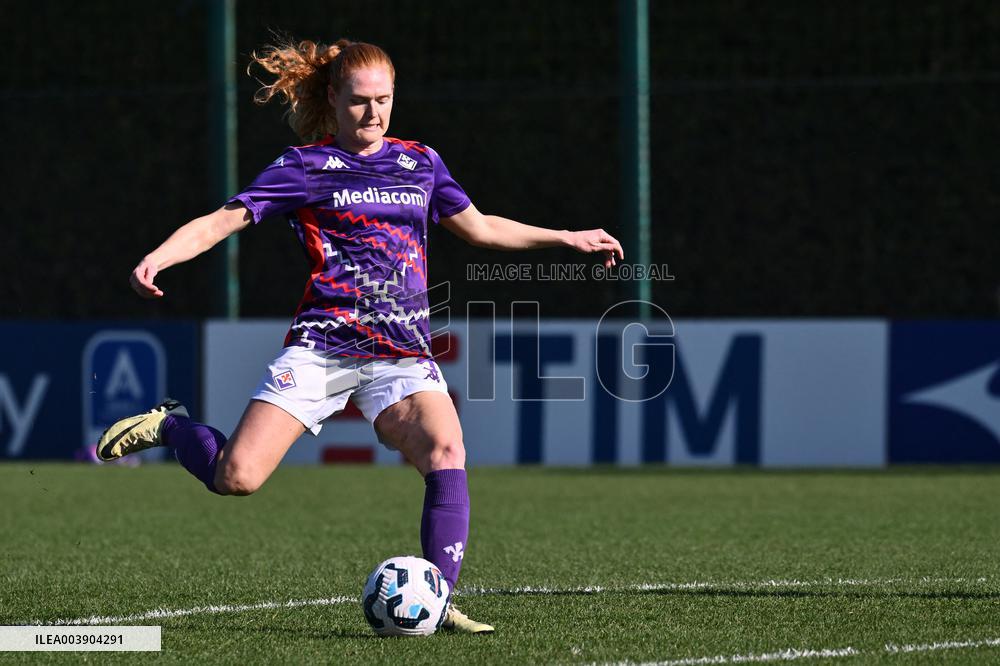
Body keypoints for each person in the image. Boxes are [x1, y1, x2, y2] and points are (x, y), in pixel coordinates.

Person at [97, 38, 624, 634]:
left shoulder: (421, 164)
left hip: (401, 352)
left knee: (446, 452)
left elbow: (480, 228)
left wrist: (566, 237)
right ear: (332, 98)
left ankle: (437, 599)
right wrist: (161, 257)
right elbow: (224, 221)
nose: (373, 113)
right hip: (324, 347)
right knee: (236, 478)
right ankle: (171, 425)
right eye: (359, 101)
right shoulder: (304, 167)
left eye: (384, 100)